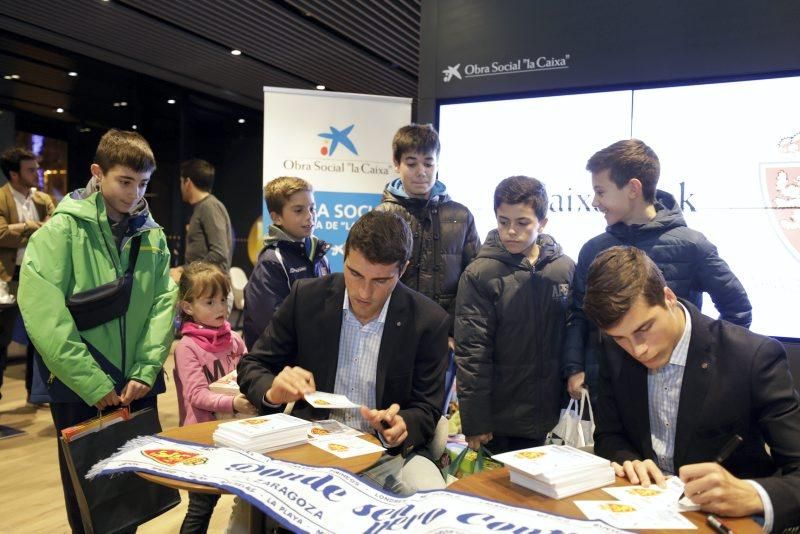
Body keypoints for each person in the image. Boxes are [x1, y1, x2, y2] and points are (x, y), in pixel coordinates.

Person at [18, 129, 177, 533]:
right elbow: (44, 317)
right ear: (97, 173)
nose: (133, 193)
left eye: (142, 184)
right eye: (124, 181)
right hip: (80, 385)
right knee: (92, 504)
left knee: (133, 496)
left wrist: (145, 369)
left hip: (135, 385)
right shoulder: (59, 232)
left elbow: (164, 303)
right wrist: (92, 382)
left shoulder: (152, 235)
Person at [584, 246, 800, 532]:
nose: (638, 349)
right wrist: (628, 459)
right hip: (644, 514)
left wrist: (752, 494)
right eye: (621, 338)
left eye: (644, 329)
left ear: (668, 297)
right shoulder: (613, 349)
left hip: (728, 522)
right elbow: (610, 435)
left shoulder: (752, 357)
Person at [237, 210, 449, 495]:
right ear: (344, 256)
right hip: (310, 447)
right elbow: (253, 365)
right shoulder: (306, 298)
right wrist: (273, 392)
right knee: (250, 502)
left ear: (403, 269)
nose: (364, 292)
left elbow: (427, 408)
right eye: (355, 273)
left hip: (388, 456)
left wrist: (401, 425)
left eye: (380, 281)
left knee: (431, 501)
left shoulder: (428, 320)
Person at [563, 139, 752, 401]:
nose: (595, 202)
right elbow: (579, 316)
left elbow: (737, 309)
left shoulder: (691, 245)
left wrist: (710, 363)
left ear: (633, 188)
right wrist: (575, 368)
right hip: (610, 390)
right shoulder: (593, 249)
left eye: (601, 191)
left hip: (675, 389)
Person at [455, 176, 574, 454]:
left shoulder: (564, 269)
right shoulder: (480, 273)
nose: (511, 231)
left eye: (522, 223)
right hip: (500, 420)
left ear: (542, 223)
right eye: (503, 221)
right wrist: (476, 419)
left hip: (555, 416)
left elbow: (574, 331)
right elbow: (472, 353)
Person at [375, 123, 480, 349]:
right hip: (391, 334)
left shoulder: (461, 215)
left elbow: (472, 281)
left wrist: (451, 329)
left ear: (437, 163)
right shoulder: (381, 216)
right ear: (396, 164)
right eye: (411, 163)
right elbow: (373, 280)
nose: (421, 171)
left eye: (428, 163)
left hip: (445, 337)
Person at [173, 261, 257, 534]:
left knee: (250, 499)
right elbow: (197, 395)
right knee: (201, 506)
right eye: (210, 302)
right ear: (188, 307)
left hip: (240, 434)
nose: (221, 308)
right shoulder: (186, 348)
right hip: (205, 438)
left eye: (223, 299)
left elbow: (249, 377)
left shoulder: (234, 340)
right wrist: (233, 402)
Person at [243, 176, 329, 349]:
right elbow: (271, 327)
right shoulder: (272, 262)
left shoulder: (320, 256)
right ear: (277, 218)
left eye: (312, 208)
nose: (309, 216)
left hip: (311, 354)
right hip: (279, 364)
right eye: (298, 210)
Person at [0, 147, 55, 401]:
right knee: (2, 340)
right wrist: (34, 227)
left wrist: (19, 229)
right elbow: (1, 234)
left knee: (40, 337)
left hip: (38, 274)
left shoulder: (42, 199)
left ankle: (37, 393)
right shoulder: (1, 198)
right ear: (14, 174)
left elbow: (54, 229)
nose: (37, 173)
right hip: (7, 277)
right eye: (30, 169)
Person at [171, 159, 233, 281]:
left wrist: (186, 271)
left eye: (181, 181)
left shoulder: (209, 206)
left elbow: (219, 254)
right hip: (204, 286)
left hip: (211, 289)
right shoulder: (203, 207)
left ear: (187, 182)